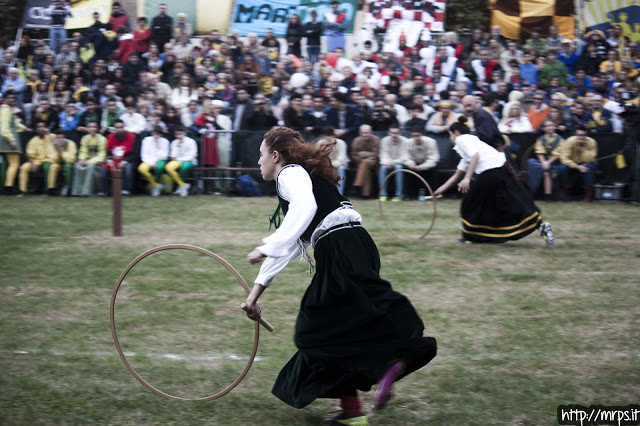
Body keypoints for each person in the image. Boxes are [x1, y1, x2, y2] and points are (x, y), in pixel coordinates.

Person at [243, 126, 437, 425]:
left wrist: (268, 246)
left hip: (340, 250)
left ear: (276, 155)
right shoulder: (306, 174)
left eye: (261, 155)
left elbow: (304, 210)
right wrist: (255, 294)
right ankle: (353, 412)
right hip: (359, 245)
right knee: (341, 331)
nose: (259, 162)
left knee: (315, 334)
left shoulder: (289, 174)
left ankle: (393, 364)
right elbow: (297, 241)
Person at [433, 117, 554, 247]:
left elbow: (475, 156)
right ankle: (541, 227)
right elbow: (457, 175)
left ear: (455, 132)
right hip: (500, 171)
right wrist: (440, 190)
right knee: (510, 204)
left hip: (490, 172)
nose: (450, 138)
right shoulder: (471, 144)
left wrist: (467, 178)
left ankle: (471, 236)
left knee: (470, 204)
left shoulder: (462, 139)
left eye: (450, 135)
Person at [527, 120, 566, 201]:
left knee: (548, 172)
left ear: (554, 127)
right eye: (547, 126)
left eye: (551, 125)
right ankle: (533, 191)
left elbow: (558, 153)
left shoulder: (561, 139)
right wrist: (544, 162)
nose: (549, 128)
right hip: (543, 162)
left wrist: (548, 162)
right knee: (531, 162)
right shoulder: (541, 139)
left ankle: (548, 196)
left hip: (555, 162)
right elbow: (539, 151)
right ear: (544, 128)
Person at [558, 125, 598, 202]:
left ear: (586, 135)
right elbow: (564, 158)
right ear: (575, 135)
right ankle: (566, 194)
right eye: (578, 135)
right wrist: (577, 166)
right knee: (562, 168)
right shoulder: (569, 141)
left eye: (583, 135)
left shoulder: (592, 142)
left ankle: (588, 196)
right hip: (573, 163)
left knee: (590, 167)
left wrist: (582, 148)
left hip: (586, 163)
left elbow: (591, 158)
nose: (580, 137)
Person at [17, 121, 56, 196]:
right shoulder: (33, 140)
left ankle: (47, 190)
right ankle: (23, 190)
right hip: (36, 160)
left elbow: (57, 144)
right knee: (24, 168)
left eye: (43, 126)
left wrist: (48, 133)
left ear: (45, 128)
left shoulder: (52, 136)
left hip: (49, 160)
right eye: (39, 127)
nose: (41, 128)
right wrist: (32, 164)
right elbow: (30, 154)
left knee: (48, 167)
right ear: (36, 129)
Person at [99, 119, 136, 196]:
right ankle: (104, 191)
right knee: (103, 168)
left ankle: (126, 190)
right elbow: (108, 152)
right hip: (114, 160)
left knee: (128, 167)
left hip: (127, 160)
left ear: (124, 127)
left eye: (121, 127)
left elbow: (135, 154)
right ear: (114, 129)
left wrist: (125, 161)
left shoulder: (132, 137)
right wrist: (109, 160)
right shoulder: (110, 137)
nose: (119, 130)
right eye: (117, 128)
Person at [0, 91, 27, 193]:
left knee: (6, 164)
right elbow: (4, 127)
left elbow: (15, 123)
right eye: (10, 98)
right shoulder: (6, 110)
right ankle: (8, 187)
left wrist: (24, 128)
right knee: (14, 164)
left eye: (14, 98)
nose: (12, 100)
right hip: (7, 139)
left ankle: (6, 186)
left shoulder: (7, 109)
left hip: (5, 139)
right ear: (5, 99)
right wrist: (11, 140)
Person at [73, 121, 107, 196]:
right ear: (87, 129)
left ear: (97, 128)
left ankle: (87, 191)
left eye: (94, 127)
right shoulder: (84, 138)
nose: (92, 129)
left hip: (98, 160)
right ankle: (77, 191)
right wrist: (81, 159)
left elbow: (102, 154)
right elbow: (83, 150)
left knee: (90, 167)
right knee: (77, 166)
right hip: (86, 159)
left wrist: (89, 162)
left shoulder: (102, 139)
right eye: (90, 127)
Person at [405, 126, 440, 198]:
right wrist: (410, 164)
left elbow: (434, 158)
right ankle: (410, 195)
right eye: (413, 136)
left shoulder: (431, 142)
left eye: (417, 136)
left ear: (421, 135)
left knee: (432, 171)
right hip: (414, 165)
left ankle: (431, 194)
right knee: (407, 171)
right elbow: (406, 157)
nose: (416, 138)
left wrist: (423, 166)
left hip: (427, 165)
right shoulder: (408, 142)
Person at [378, 125, 410, 202]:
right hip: (387, 163)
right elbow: (383, 155)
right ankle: (383, 194)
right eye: (392, 133)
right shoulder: (384, 141)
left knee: (398, 167)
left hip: (400, 163)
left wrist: (392, 162)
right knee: (383, 168)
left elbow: (405, 157)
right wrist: (386, 162)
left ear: (400, 133)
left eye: (396, 133)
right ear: (388, 133)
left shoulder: (405, 141)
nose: (394, 135)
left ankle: (398, 195)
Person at [316, 127, 349, 196]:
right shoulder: (319, 143)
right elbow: (317, 156)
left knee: (341, 170)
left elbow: (342, 157)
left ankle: (340, 194)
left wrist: (333, 164)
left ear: (334, 135)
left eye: (330, 135)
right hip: (324, 164)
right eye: (326, 135)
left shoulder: (341, 143)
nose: (328, 138)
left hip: (339, 164)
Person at [138, 126, 170, 196]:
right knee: (141, 169)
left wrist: (158, 145)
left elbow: (164, 155)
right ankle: (155, 185)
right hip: (148, 160)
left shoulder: (165, 142)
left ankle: (154, 186)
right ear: (152, 133)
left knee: (159, 167)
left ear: (161, 134)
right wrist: (151, 162)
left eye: (158, 134)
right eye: (155, 134)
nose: (156, 136)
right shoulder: (146, 140)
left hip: (160, 160)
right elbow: (144, 154)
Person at [165, 126, 197, 196]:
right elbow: (173, 156)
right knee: (168, 167)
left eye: (180, 134)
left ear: (184, 133)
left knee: (184, 167)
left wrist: (180, 159)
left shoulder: (191, 141)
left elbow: (192, 154)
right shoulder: (174, 142)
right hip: (178, 160)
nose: (179, 136)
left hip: (189, 160)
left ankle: (180, 187)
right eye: (177, 134)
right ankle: (182, 185)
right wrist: (178, 146)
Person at [350, 124, 379, 198]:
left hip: (373, 162)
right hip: (360, 162)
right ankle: (365, 194)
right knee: (365, 168)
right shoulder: (356, 141)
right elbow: (353, 155)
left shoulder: (376, 140)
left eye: (367, 133)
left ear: (371, 132)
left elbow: (375, 154)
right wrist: (364, 158)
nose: (365, 135)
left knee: (365, 163)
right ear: (360, 133)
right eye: (363, 133)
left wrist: (363, 154)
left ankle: (357, 184)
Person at [50, 128, 77, 195]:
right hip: (58, 163)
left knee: (68, 166)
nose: (60, 139)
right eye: (58, 138)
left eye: (61, 137)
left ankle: (69, 188)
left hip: (69, 164)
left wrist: (61, 151)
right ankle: (51, 188)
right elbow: (52, 159)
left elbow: (71, 160)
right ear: (55, 139)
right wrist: (58, 151)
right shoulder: (53, 145)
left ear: (64, 138)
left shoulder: (71, 144)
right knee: (53, 166)